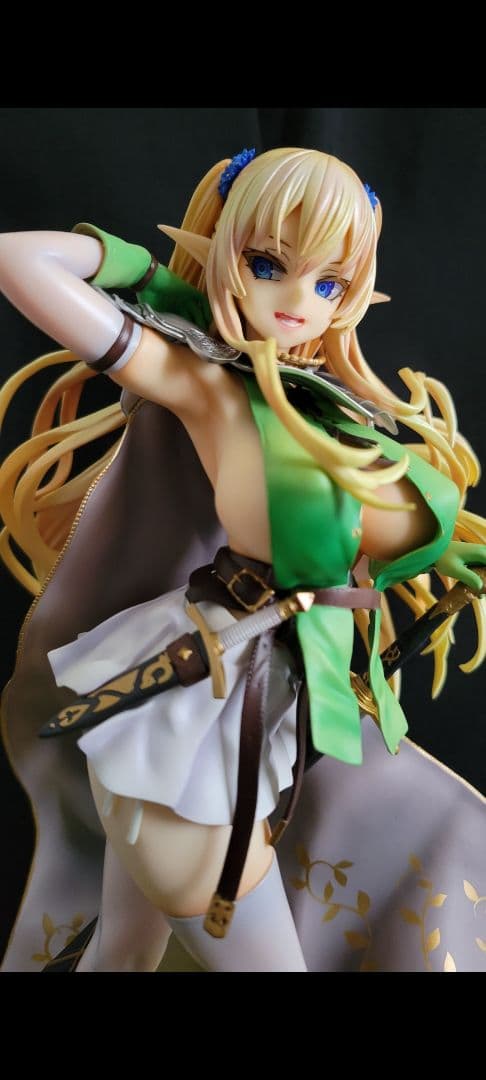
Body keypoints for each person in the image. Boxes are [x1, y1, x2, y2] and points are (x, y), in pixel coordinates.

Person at [0, 147, 485, 973]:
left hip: (265, 704)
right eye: (268, 265)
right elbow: (19, 261)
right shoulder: (206, 383)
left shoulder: (332, 407)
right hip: (202, 707)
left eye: (329, 282)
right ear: (226, 253)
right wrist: (148, 277)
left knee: (123, 955)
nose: (298, 301)